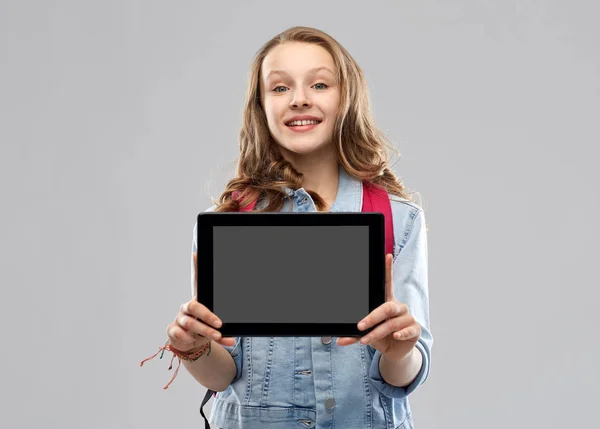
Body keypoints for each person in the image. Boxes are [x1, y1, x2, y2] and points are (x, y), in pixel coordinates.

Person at [158, 26, 432, 429]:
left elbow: (403, 376)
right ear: (261, 107)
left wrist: (398, 351)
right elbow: (224, 376)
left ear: (346, 99)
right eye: (280, 88)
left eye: (319, 84)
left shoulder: (400, 219)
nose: (300, 98)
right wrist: (196, 349)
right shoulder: (227, 224)